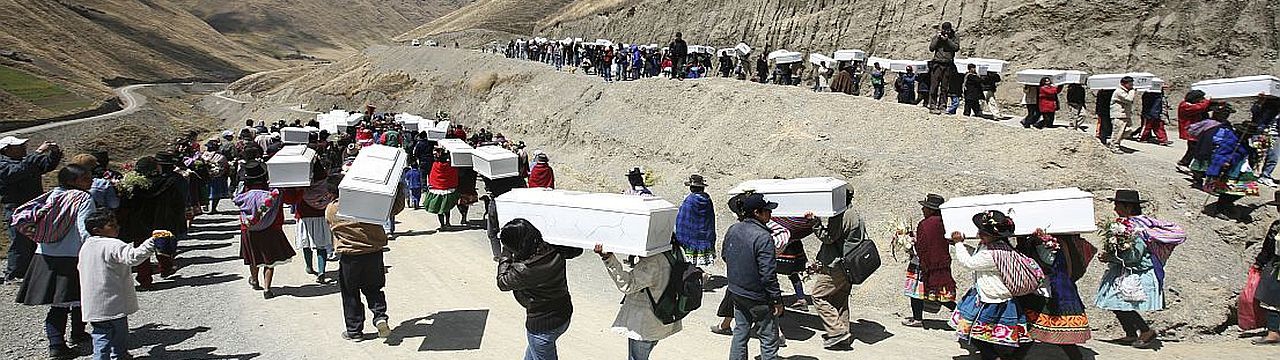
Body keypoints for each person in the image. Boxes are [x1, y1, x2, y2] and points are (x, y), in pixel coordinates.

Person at [15, 165, 95, 359]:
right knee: (78, 298)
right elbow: (85, 227)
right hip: (73, 255)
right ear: (72, 181)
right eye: (85, 178)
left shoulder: (53, 195)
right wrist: (96, 247)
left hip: (45, 253)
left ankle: (60, 340)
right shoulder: (83, 198)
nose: (90, 181)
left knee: (59, 302)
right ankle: (69, 337)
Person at [1095, 189, 1180, 350]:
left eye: (1117, 205)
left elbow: (1135, 256)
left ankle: (1146, 331)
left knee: (1120, 302)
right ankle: (1131, 333)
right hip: (1125, 269)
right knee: (1115, 302)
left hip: (1135, 271)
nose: (1114, 209)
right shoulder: (1128, 225)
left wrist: (1110, 257)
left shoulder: (1136, 229)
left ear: (1128, 208)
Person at [327, 174, 403, 341]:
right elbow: (394, 209)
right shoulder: (367, 204)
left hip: (349, 257)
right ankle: (380, 316)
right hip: (373, 254)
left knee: (350, 294)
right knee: (374, 288)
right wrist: (397, 187)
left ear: (331, 193)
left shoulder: (331, 209)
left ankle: (354, 331)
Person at [948, 210, 1033, 360]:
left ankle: (993, 357)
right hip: (999, 296)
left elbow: (970, 263)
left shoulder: (992, 255)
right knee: (988, 332)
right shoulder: (1000, 248)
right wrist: (960, 246)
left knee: (975, 333)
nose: (979, 233)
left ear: (992, 235)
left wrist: (958, 243)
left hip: (991, 298)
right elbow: (977, 255)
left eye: (982, 232)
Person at [77, 208, 158, 360]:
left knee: (100, 334)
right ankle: (119, 355)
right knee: (119, 333)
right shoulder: (113, 244)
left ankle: (100, 357)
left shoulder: (85, 246)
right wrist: (152, 241)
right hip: (113, 300)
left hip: (93, 302)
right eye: (112, 225)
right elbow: (133, 257)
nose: (117, 227)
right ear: (97, 230)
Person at [497, 219, 583, 360]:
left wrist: (505, 254)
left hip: (542, 325)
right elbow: (576, 250)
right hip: (563, 313)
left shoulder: (523, 269)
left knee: (538, 349)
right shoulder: (554, 249)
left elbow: (502, 282)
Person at [593, 242, 682, 360]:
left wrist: (608, 258)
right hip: (662, 318)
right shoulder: (673, 251)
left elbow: (627, 284)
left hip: (645, 324)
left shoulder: (652, 261)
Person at [1014, 231, 1094, 360]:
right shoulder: (1064, 242)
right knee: (1031, 327)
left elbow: (1046, 262)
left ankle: (1076, 357)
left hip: (1049, 292)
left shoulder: (1050, 244)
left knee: (1053, 330)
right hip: (1051, 290)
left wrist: (1036, 242)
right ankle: (1017, 356)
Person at [723, 193, 784, 360]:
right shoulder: (764, 237)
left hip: (737, 292)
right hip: (759, 297)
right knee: (768, 338)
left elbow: (725, 256)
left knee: (740, 333)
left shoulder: (733, 229)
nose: (770, 214)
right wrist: (777, 300)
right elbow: (768, 275)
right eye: (767, 211)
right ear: (757, 212)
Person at [0, 136, 62, 283]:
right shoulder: (3, 164)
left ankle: (32, 270)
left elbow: (47, 165)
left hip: (35, 206)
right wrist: (38, 152)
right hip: (16, 207)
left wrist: (54, 153)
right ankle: (15, 273)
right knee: (20, 240)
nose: (23, 148)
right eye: (19, 146)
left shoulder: (27, 160)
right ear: (6, 150)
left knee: (37, 237)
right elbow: (16, 172)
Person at [233, 161, 296, 299]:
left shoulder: (242, 196)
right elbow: (291, 198)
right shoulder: (273, 195)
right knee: (269, 260)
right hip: (270, 229)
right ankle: (267, 288)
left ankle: (254, 280)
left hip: (249, 230)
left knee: (253, 257)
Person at [811, 199, 862, 350]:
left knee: (818, 295)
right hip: (849, 265)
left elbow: (828, 238)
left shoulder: (841, 215)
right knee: (840, 300)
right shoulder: (854, 213)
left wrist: (815, 222)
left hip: (837, 266)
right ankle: (843, 337)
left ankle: (837, 331)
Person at [902, 194, 957, 327]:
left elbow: (922, 247)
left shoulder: (925, 224)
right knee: (941, 293)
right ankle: (960, 313)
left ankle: (917, 319)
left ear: (931, 210)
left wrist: (908, 244)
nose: (923, 210)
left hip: (924, 263)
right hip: (940, 263)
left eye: (925, 207)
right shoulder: (944, 222)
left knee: (915, 291)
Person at [281, 162, 335, 283]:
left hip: (304, 216)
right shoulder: (326, 184)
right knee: (321, 246)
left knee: (306, 243)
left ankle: (309, 267)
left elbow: (291, 199)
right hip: (321, 217)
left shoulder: (302, 183)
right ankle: (321, 271)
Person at [1253, 192, 1280, 345]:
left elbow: (1268, 249)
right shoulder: (1276, 226)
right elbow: (1268, 248)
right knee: (1272, 298)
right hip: (1276, 266)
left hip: (1276, 266)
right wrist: (1259, 262)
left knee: (1273, 298)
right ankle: (1273, 331)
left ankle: (1274, 332)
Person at [674, 174, 716, 267]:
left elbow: (683, 219)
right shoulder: (707, 199)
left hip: (690, 238)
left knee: (690, 264)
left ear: (692, 188)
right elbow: (710, 219)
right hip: (705, 237)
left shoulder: (690, 200)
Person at [1176, 90, 1213, 172]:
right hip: (1191, 131)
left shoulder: (1190, 104)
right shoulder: (1185, 105)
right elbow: (1199, 107)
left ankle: (1187, 163)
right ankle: (1183, 163)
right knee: (1193, 148)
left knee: (1194, 148)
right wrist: (1207, 100)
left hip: (1195, 131)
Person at [928, 22, 960, 113]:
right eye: (944, 30)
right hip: (937, 64)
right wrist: (938, 39)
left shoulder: (954, 37)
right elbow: (931, 48)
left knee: (944, 87)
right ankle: (933, 105)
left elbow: (956, 48)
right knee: (934, 86)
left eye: (948, 30)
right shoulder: (937, 36)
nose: (946, 32)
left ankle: (942, 106)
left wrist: (947, 40)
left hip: (948, 64)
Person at [425, 148, 461, 230]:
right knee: (447, 208)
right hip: (448, 190)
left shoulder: (435, 165)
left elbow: (432, 176)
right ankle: (448, 223)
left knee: (439, 209)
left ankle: (442, 225)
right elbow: (454, 174)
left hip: (436, 190)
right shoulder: (450, 166)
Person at [1108, 76, 1139, 153]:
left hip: (1125, 115)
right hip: (1118, 115)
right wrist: (1132, 91)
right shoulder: (1119, 91)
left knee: (1128, 131)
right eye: (1130, 84)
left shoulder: (1125, 91)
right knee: (1118, 132)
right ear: (1124, 84)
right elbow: (1129, 99)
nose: (1131, 85)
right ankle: (1114, 147)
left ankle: (1113, 142)